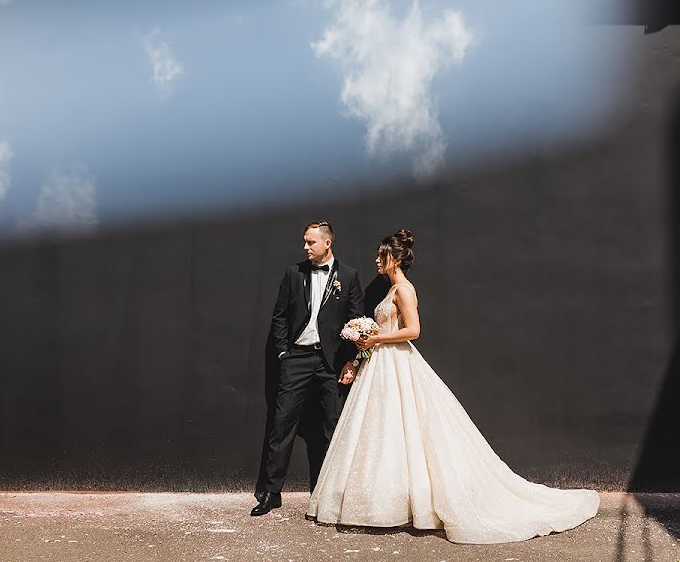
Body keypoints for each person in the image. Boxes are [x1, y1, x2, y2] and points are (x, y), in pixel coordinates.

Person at [307, 229, 600, 544]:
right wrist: (360, 354)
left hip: (397, 362)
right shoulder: (391, 290)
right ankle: (389, 502)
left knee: (406, 427)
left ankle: (416, 503)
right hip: (380, 363)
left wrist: (375, 336)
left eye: (381, 256)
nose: (377, 261)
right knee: (385, 431)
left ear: (393, 258)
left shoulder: (404, 290)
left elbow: (414, 330)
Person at [251, 221, 364, 516]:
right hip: (297, 358)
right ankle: (271, 493)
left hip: (331, 362)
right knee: (281, 424)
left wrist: (351, 360)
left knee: (330, 428)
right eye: (304, 242)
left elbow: (356, 320)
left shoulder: (349, 276)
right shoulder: (293, 273)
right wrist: (283, 353)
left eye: (311, 242)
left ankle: (325, 496)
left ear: (327, 243)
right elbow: (279, 316)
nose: (305, 247)